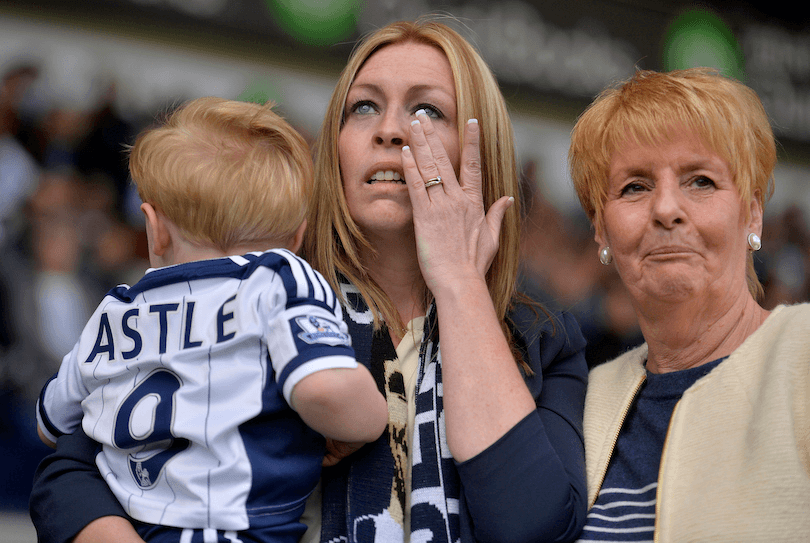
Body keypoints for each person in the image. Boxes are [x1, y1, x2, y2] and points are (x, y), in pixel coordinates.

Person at [30, 19, 589, 543]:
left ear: (481, 154)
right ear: (335, 149)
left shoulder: (543, 337)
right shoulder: (263, 293)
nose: (391, 130)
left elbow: (531, 524)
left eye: (428, 112)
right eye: (364, 107)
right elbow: (70, 474)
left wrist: (459, 283)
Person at [34, 96, 388, 543]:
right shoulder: (280, 277)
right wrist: (372, 419)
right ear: (298, 237)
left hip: (135, 522)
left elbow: (51, 422)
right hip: (240, 529)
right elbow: (322, 387)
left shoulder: (116, 309)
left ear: (154, 226)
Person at [568, 67, 810, 542]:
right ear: (601, 229)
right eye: (634, 187)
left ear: (753, 212)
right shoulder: (584, 398)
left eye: (700, 181)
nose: (666, 208)